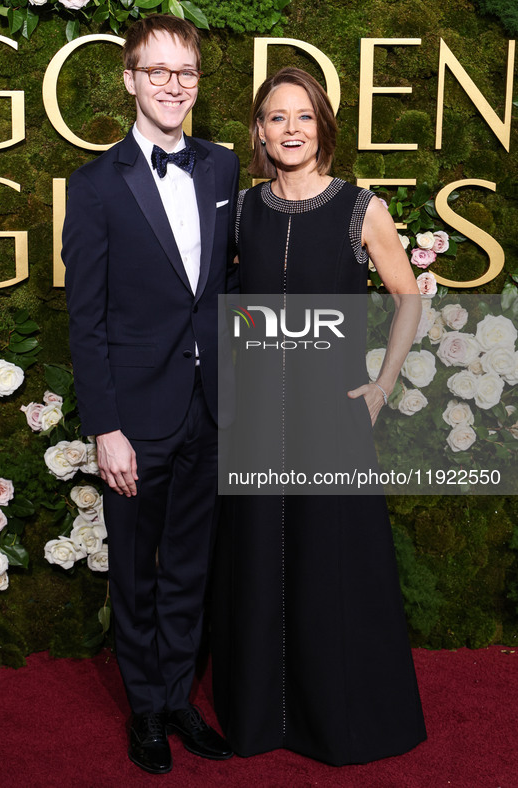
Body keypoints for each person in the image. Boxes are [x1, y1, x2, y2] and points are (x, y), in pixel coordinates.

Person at [211, 67, 427, 764]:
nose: (290, 129)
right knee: (255, 565)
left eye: (302, 116)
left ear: (322, 126)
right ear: (260, 132)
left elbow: (407, 296)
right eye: (276, 118)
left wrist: (382, 384)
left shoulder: (360, 209)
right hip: (252, 423)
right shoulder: (241, 211)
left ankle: (335, 721)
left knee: (327, 565)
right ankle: (259, 718)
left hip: (329, 415)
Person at [62, 14, 238, 775]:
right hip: (136, 417)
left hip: (213, 408)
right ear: (130, 79)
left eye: (186, 73)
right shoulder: (96, 185)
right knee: (135, 572)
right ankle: (144, 712)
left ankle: (176, 698)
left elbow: (228, 287)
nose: (174, 85)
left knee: (193, 567)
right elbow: (86, 317)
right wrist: (106, 428)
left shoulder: (223, 167)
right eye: (158, 71)